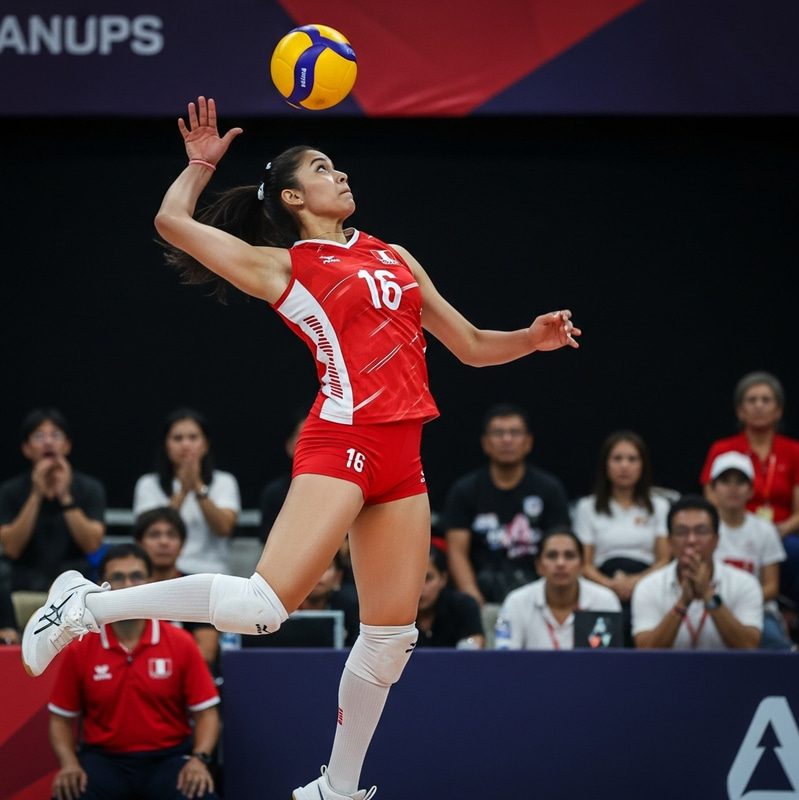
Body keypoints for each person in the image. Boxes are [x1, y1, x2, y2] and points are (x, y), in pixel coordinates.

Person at [23, 96, 581, 800]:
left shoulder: (394, 255)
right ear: (293, 197)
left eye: (336, 163)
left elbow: (468, 347)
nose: (340, 173)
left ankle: (335, 789)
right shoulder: (284, 266)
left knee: (390, 640)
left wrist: (530, 339)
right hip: (342, 438)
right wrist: (198, 166)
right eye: (323, 167)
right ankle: (83, 605)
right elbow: (171, 223)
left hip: (402, 455)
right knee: (264, 606)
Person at [47, 543, 221, 800]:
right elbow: (61, 720)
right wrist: (69, 763)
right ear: (101, 586)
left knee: (202, 795)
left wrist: (199, 759)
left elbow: (207, 715)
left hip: (169, 759)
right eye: (117, 577)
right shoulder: (80, 648)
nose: (127, 584)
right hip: (103, 761)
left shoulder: (181, 642)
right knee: (68, 794)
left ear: (150, 582)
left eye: (136, 576)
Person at [442, 402, 571, 607]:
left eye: (515, 432)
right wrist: (475, 601)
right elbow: (457, 552)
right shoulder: (465, 490)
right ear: (485, 443)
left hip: (538, 596)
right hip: (483, 594)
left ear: (528, 442)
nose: (507, 439)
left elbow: (561, 548)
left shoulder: (549, 489)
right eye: (498, 433)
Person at [699, 371, 799, 619]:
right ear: (739, 410)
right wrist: (742, 525)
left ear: (779, 410)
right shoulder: (723, 449)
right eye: (751, 400)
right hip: (733, 525)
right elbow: (710, 498)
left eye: (766, 400)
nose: (759, 406)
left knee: (793, 549)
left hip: (783, 532)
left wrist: (779, 530)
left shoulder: (794, 451)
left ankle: (788, 611)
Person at [573, 430, 671, 645]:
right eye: (617, 459)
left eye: (632, 459)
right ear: (605, 465)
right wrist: (611, 585)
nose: (624, 466)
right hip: (602, 584)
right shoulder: (587, 508)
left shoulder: (660, 507)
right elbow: (584, 563)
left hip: (647, 582)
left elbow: (664, 560)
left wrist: (636, 583)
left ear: (642, 465)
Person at [631, 495, 763, 650]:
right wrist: (683, 602)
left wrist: (708, 594)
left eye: (701, 531)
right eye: (681, 532)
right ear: (670, 542)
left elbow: (749, 646)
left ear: (716, 540)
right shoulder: (649, 586)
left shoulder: (744, 583)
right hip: (668, 673)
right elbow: (645, 650)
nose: (691, 540)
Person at [0, 408, 106, 592]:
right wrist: (36, 495)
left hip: (75, 584)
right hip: (22, 586)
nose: (48, 442)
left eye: (56, 435)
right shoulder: (10, 490)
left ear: (67, 445)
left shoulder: (90, 488)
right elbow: (11, 548)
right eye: (39, 436)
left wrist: (65, 497)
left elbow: (92, 546)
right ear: (26, 448)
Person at [133, 407, 241, 576]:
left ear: (205, 444)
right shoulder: (148, 484)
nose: (185, 444)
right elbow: (148, 530)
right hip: (165, 573)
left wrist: (197, 486)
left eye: (193, 437)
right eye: (177, 438)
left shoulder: (224, 482)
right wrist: (183, 491)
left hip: (213, 573)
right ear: (166, 444)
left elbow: (224, 528)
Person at [706, 451, 792, 649]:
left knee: (780, 650)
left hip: (758, 611)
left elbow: (771, 586)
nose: (733, 488)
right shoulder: (701, 529)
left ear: (751, 490)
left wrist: (740, 604)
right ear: (712, 489)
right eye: (725, 481)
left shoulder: (765, 530)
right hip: (707, 608)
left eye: (740, 482)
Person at [496, 529, 621, 649]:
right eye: (552, 556)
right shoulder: (515, 602)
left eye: (569, 556)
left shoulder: (605, 600)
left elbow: (610, 663)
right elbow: (505, 659)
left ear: (582, 565)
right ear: (538, 565)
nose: (560, 563)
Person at [132, 507, 221, 668]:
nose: (164, 542)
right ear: (139, 544)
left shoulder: (198, 589)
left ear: (182, 545)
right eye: (154, 535)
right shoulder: (127, 591)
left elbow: (206, 652)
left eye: (171, 535)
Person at [415, 543, 485, 648]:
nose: (420, 588)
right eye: (413, 580)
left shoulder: (463, 606)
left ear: (443, 578)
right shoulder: (393, 613)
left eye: (428, 578)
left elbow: (475, 648)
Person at [258, 408, 306, 540]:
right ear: (290, 446)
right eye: (305, 437)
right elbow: (267, 538)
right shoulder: (274, 493)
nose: (313, 444)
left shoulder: (345, 491)